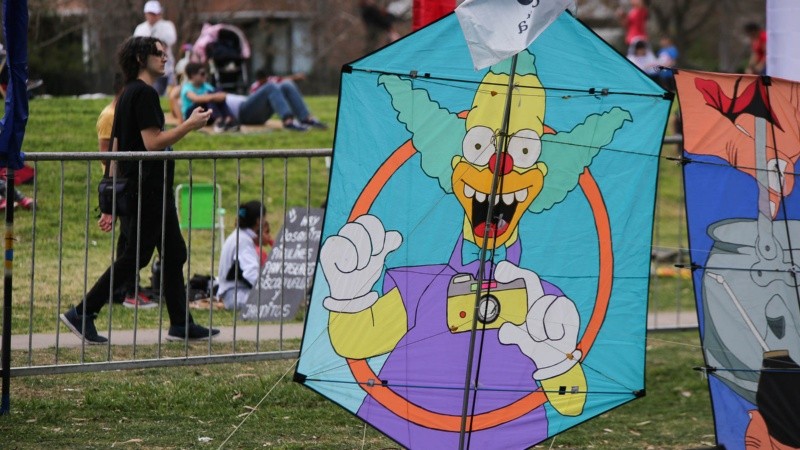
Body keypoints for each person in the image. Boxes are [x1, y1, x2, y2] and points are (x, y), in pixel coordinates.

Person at [60, 36, 219, 344]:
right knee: (136, 257)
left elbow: (118, 146)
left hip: (150, 190)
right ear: (139, 59)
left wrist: (109, 195)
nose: (165, 58)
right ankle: (83, 312)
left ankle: (181, 324)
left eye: (165, 53)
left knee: (174, 252)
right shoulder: (143, 93)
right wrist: (189, 125)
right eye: (158, 54)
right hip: (146, 191)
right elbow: (153, 143)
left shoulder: (129, 93)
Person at [96, 73, 158, 309]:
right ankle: (127, 291)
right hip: (123, 186)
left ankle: (122, 290)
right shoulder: (110, 115)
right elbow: (108, 155)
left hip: (129, 185)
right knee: (132, 244)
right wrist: (110, 200)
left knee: (129, 241)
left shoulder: (120, 112)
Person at [217, 201, 274, 311]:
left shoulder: (239, 236)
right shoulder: (243, 241)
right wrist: (269, 291)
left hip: (235, 293)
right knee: (276, 301)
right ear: (258, 221)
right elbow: (251, 273)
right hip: (236, 296)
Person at [224, 72, 327, 131]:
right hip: (243, 112)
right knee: (270, 86)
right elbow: (210, 98)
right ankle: (288, 120)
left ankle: (306, 118)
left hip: (259, 114)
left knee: (286, 84)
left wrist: (296, 77)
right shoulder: (210, 92)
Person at [133, 0, 177, 96]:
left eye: (154, 13)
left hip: (165, 67)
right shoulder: (140, 28)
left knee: (165, 94)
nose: (152, 16)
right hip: (145, 68)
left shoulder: (167, 26)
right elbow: (136, 46)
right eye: (150, 13)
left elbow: (170, 40)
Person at [180, 62, 239, 132]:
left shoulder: (205, 85)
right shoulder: (187, 87)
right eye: (202, 74)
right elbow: (196, 99)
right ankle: (219, 120)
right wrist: (213, 96)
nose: (205, 76)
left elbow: (221, 95)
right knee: (209, 96)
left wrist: (216, 95)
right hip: (191, 116)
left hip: (205, 115)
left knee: (216, 91)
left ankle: (228, 119)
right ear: (193, 75)